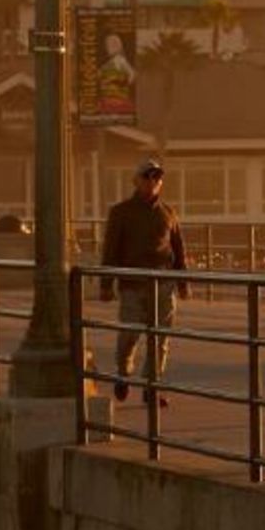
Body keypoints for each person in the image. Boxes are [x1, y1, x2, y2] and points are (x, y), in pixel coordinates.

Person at [100, 158, 188, 405]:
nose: (152, 181)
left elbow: (178, 248)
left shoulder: (168, 213)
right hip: (132, 284)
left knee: (160, 339)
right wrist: (106, 284)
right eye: (147, 177)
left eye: (157, 177)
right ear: (136, 181)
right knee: (130, 334)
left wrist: (183, 281)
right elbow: (111, 250)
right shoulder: (121, 212)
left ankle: (152, 386)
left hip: (164, 283)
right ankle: (123, 372)